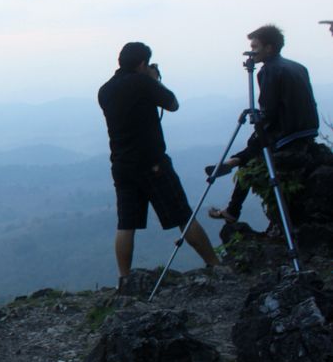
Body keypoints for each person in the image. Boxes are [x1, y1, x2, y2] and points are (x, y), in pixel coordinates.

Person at [98, 42, 220, 286]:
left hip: (122, 164)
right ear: (143, 64)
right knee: (183, 215)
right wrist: (154, 80)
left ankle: (124, 279)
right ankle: (215, 265)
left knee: (126, 223)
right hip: (152, 162)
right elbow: (172, 104)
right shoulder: (143, 83)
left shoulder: (105, 90)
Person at [207, 25, 319, 225]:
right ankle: (233, 163)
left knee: (252, 158)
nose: (251, 51)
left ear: (269, 48)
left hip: (288, 134)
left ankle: (233, 195)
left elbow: (268, 113)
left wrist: (256, 138)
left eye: (255, 46)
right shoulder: (298, 67)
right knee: (256, 143)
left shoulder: (268, 71)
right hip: (307, 130)